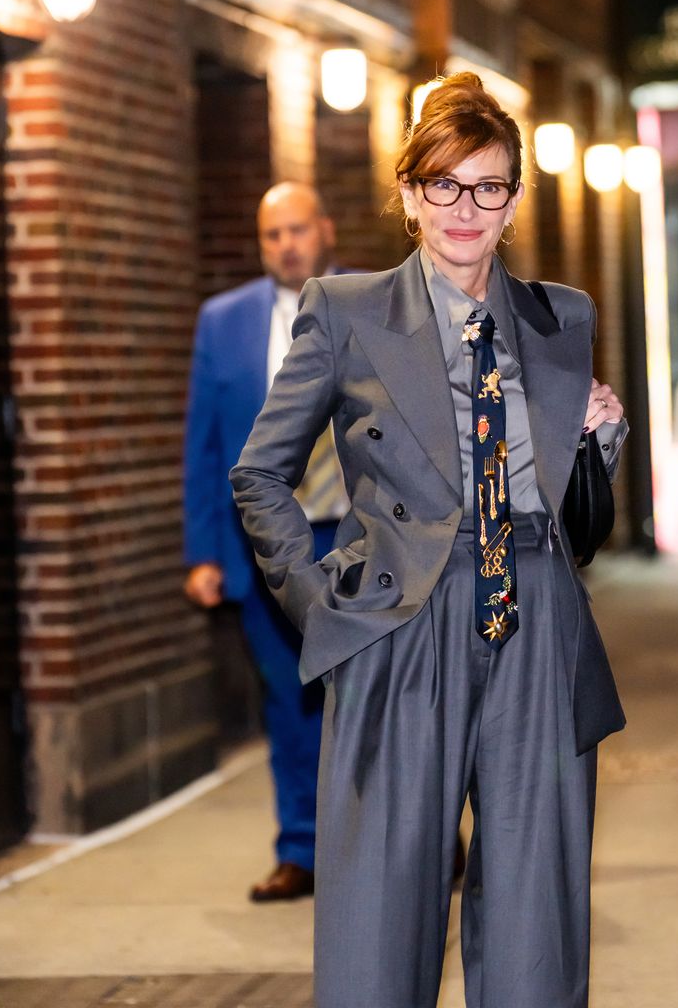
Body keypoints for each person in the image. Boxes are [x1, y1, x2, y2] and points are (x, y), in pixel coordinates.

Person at [230, 73, 627, 1007]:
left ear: (515, 201)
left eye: (489, 186)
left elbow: (581, 518)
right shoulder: (347, 311)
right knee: (379, 922)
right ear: (409, 194)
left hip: (539, 627)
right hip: (400, 629)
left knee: (541, 928)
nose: (465, 208)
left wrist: (599, 439)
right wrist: (325, 606)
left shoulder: (560, 316)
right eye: (444, 184)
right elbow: (259, 473)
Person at [183, 182, 350, 902]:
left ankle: (424, 835)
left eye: (297, 229)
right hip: (265, 548)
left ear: (325, 231)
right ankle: (302, 850)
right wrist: (203, 552)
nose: (286, 244)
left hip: (361, 537)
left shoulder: (375, 303)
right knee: (289, 702)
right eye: (271, 234)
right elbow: (205, 443)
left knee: (379, 696)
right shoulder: (222, 323)